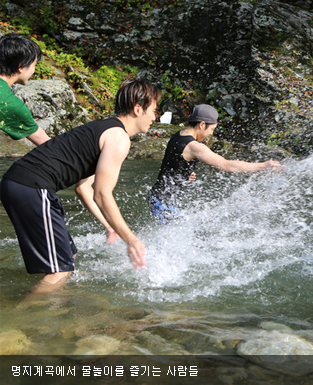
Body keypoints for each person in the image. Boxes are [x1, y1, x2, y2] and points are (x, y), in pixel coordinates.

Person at [0, 78, 161, 291]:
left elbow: (83, 187)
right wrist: (131, 239)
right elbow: (102, 194)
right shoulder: (119, 138)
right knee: (60, 271)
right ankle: (19, 320)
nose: (155, 117)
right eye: (154, 110)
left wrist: (110, 226)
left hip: (20, 183)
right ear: (138, 109)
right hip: (32, 186)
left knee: (69, 255)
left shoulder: (103, 128)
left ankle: (54, 307)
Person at [148, 104, 283, 222]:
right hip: (164, 203)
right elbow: (227, 165)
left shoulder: (178, 135)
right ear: (202, 125)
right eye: (211, 129)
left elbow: (172, 162)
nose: (211, 134)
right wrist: (263, 166)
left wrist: (183, 173)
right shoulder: (194, 146)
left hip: (158, 197)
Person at [0, 33, 51, 145]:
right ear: (21, 67)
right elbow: (50, 146)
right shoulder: (8, 103)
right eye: (34, 65)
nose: (34, 71)